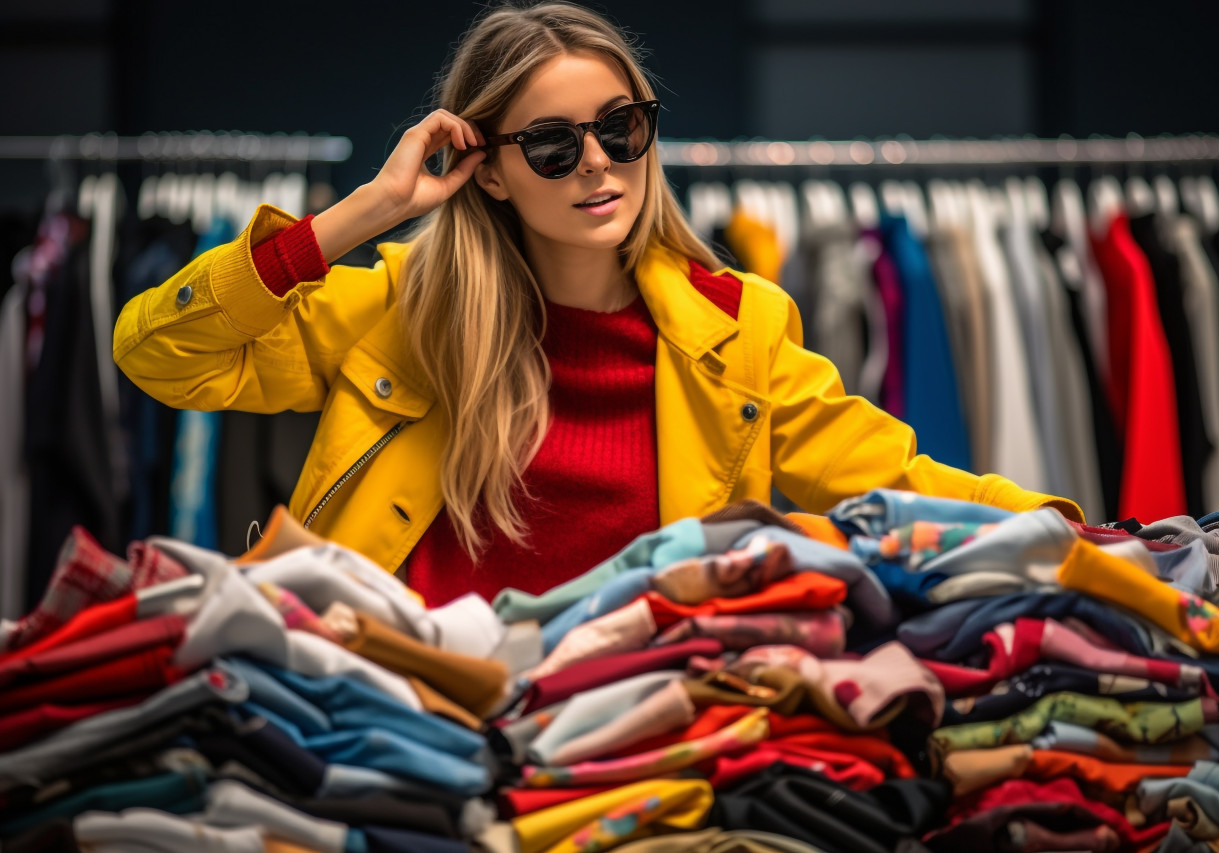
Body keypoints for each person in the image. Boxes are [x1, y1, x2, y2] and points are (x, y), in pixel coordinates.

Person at [113, 1, 1083, 607]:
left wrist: (1086, 538)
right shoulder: (397, 311)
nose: (595, 163)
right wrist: (368, 211)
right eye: (549, 144)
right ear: (484, 172)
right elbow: (161, 353)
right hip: (407, 726)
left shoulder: (735, 326)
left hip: (626, 740)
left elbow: (898, 476)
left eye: (621, 128)